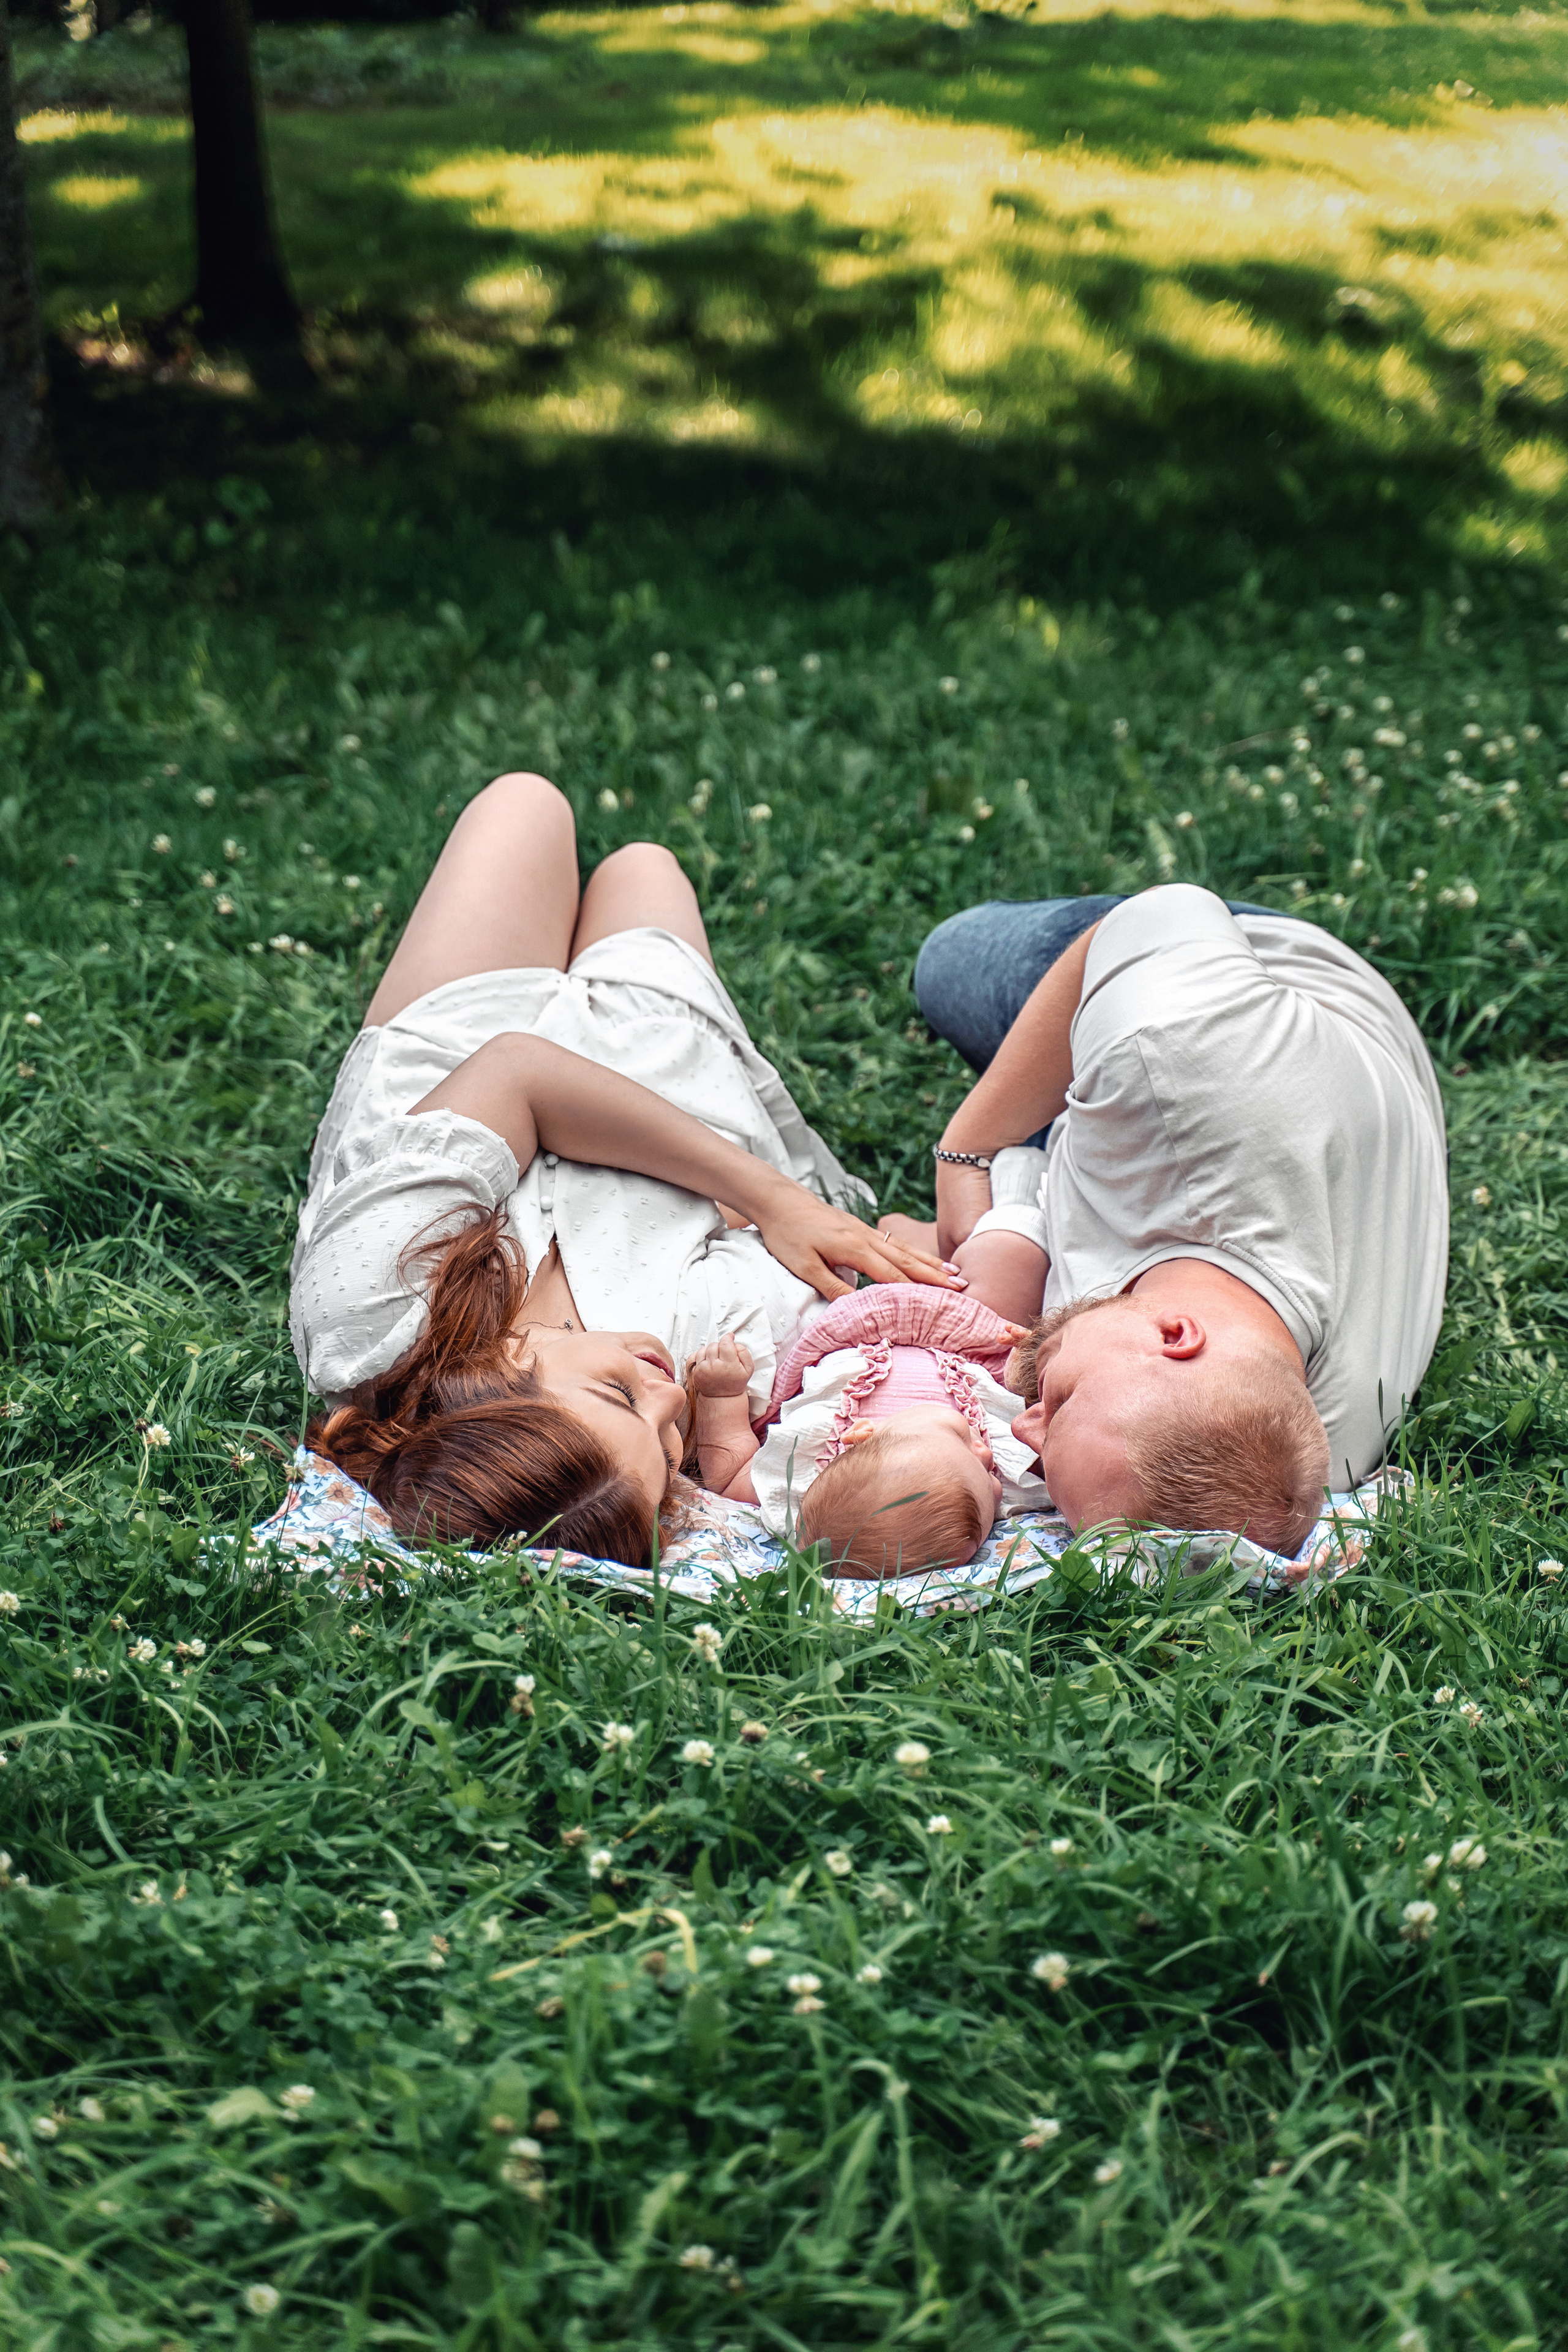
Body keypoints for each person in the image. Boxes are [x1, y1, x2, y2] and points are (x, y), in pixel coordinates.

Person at [289, 774, 956, 1564]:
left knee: (527, 805)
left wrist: (765, 1200)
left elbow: (516, 1074)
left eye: (620, 1397)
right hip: (667, 1070)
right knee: (644, 865)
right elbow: (798, 1268)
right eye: (672, 1450)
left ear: (493, 1384)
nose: (671, 1393)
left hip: (463, 1043)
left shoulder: (370, 1320)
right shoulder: (708, 1364)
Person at [903, 886, 1449, 1553]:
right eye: (1063, 1404)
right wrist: (967, 1152)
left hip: (1326, 1137)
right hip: (1267, 975)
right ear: (1176, 1334)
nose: (1022, 1432)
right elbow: (1158, 912)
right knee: (947, 963)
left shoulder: (1297, 1462)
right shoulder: (1175, 1054)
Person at [687, 1164, 1052, 1576]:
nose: (986, 1454)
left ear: (862, 1435)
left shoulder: (802, 1479)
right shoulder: (1018, 1476)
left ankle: (911, 1231)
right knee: (1012, 1255)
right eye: (989, 1479)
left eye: (964, 1444)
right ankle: (1019, 1186)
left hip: (856, 1332)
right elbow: (1051, 1429)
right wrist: (1031, 1361)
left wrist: (721, 1394)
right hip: (974, 1340)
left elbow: (729, 1473)